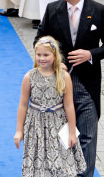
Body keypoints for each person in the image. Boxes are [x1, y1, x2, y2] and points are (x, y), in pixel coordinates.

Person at [35, 0, 104, 177]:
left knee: (88, 136)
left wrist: (89, 54)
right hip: (58, 83)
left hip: (87, 84)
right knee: (60, 134)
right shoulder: (53, 9)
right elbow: (39, 40)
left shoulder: (98, 10)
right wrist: (55, 61)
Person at [14, 36, 86, 176]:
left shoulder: (63, 76)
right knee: (38, 164)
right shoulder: (29, 77)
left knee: (61, 162)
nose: (42, 58)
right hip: (36, 124)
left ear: (55, 55)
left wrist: (72, 132)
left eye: (46, 55)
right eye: (38, 55)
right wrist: (19, 130)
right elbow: (23, 104)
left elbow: (69, 104)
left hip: (58, 124)